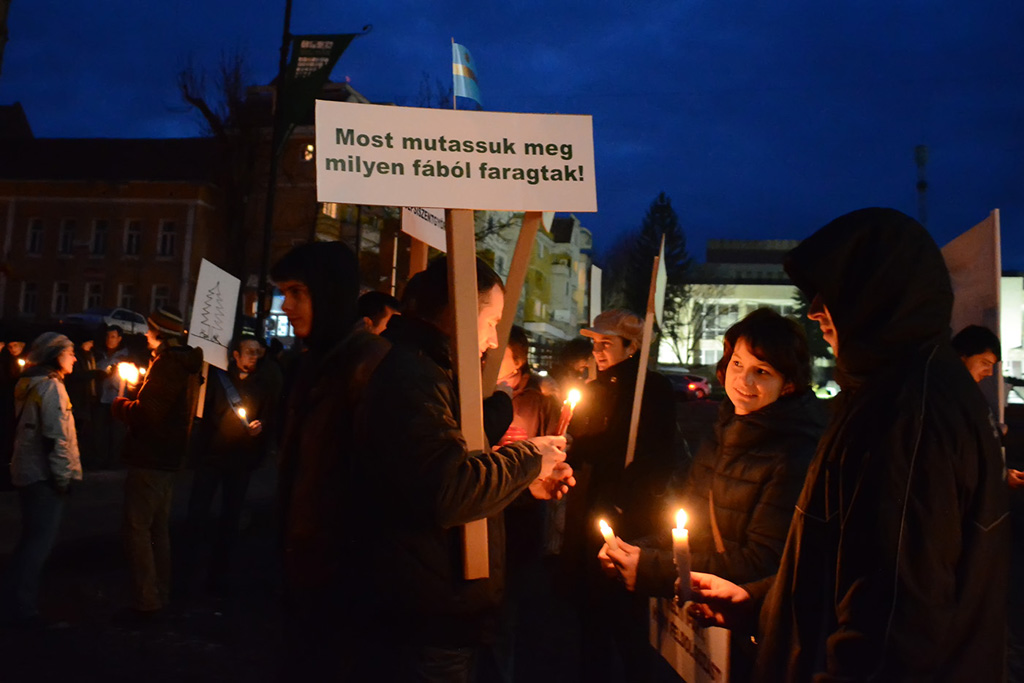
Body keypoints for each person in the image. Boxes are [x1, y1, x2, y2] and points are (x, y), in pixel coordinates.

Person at [692, 208, 1009, 682]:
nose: (814, 309)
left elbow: (892, 626)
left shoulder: (907, 415)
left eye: (833, 292)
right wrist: (762, 603)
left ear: (877, 295)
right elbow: (848, 567)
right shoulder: (895, 392)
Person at [347, 255, 573, 681]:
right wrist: (529, 459)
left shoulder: (435, 371)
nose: (494, 339)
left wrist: (525, 482)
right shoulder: (413, 376)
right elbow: (447, 489)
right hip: (425, 613)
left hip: (442, 606)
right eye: (492, 322)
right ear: (460, 313)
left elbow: (455, 470)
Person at [599, 308, 825, 681]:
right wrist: (634, 549)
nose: (743, 380)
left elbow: (763, 562)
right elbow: (692, 525)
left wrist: (652, 567)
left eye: (762, 372)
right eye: (737, 364)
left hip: (747, 632)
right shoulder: (723, 433)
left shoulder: (794, 455)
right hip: (703, 631)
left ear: (788, 384)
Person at [272, 241, 391, 678]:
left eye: (297, 292)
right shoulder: (314, 362)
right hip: (307, 567)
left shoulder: (369, 365)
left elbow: (380, 482)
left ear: (329, 292)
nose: (286, 306)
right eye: (284, 293)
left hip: (344, 582)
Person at [563, 308, 677, 682]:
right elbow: (582, 445)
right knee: (590, 611)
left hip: (628, 512)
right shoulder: (595, 388)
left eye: (606, 343)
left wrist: (628, 494)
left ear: (632, 347)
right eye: (595, 343)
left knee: (624, 613)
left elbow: (658, 454)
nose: (597, 351)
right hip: (591, 505)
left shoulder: (651, 389)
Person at [111, 306, 203, 619]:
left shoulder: (168, 364)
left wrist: (121, 406)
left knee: (138, 529)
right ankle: (160, 592)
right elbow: (163, 404)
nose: (146, 335)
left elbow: (148, 414)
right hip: (167, 458)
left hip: (151, 458)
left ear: (160, 333)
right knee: (157, 530)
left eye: (150, 329)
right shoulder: (183, 363)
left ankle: (146, 600)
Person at [184, 333, 274, 599]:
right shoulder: (216, 380)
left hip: (240, 462)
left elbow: (269, 417)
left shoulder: (263, 385)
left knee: (230, 518)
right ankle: (186, 573)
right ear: (235, 355)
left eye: (257, 352)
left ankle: (219, 577)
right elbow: (204, 414)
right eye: (249, 351)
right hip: (212, 459)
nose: (254, 357)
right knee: (197, 515)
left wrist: (261, 427)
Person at [0, 333, 82, 625]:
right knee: (38, 545)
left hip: (27, 471)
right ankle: (23, 608)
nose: (75, 358)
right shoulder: (50, 388)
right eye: (70, 353)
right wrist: (62, 478)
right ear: (55, 356)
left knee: (29, 540)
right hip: (43, 476)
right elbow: (55, 437)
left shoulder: (29, 383)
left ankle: (11, 599)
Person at [92, 325, 132, 469]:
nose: (110, 339)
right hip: (101, 399)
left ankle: (114, 461)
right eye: (108, 336)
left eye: (113, 337)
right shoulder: (99, 355)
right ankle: (99, 460)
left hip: (117, 400)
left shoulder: (125, 357)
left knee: (117, 432)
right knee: (99, 431)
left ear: (119, 339)